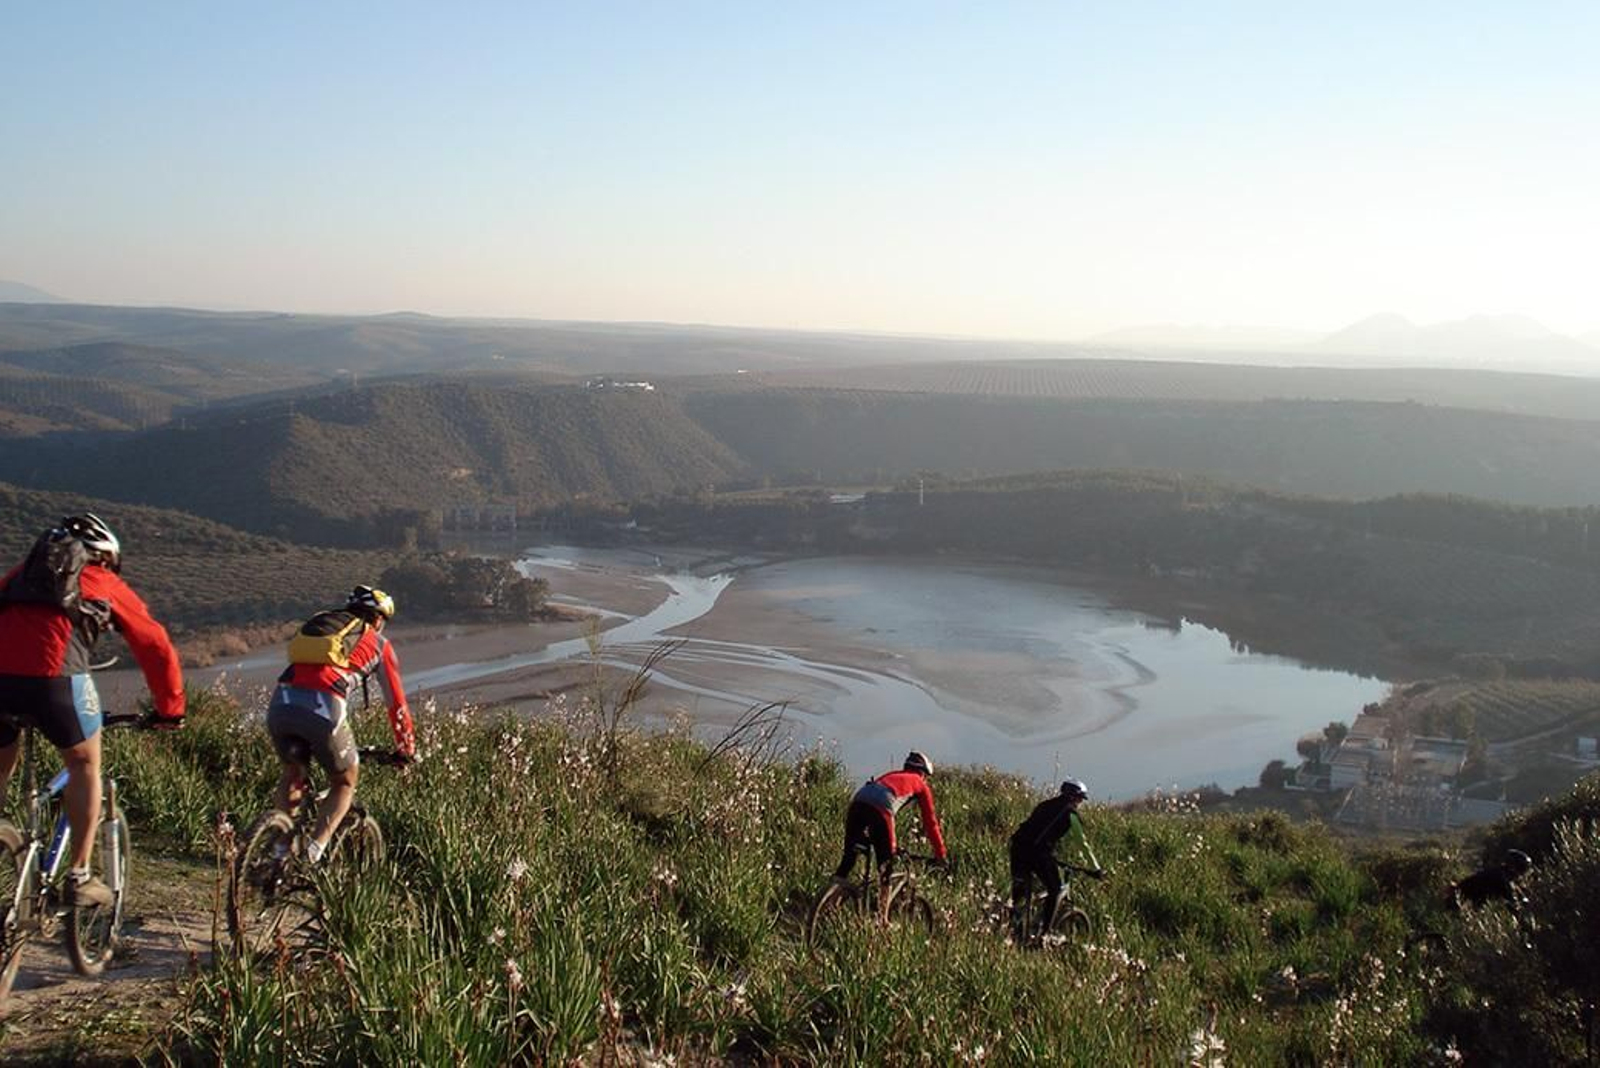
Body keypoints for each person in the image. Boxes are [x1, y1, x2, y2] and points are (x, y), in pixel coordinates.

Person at [0, 513, 185, 907]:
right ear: (104, 557)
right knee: (84, 764)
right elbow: (155, 645)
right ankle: (80, 875)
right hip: (56, 682)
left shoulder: (18, 575)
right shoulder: (103, 580)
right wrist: (171, 709)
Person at [267, 585, 415, 864]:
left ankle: (280, 852)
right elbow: (397, 704)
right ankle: (312, 855)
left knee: (293, 772)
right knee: (345, 782)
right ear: (378, 619)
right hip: (324, 708)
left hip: (280, 703)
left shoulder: (323, 626)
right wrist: (405, 748)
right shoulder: (378, 643)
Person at [833, 750, 948, 896]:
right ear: (923, 773)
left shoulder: (891, 775)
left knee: (848, 858)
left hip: (858, 802)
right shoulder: (920, 784)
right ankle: (883, 910)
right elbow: (931, 823)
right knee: (886, 867)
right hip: (882, 809)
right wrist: (941, 855)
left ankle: (830, 896)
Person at [1009, 778, 1105, 944]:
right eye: (1080, 799)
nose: (1080, 803)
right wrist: (1096, 869)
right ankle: (1044, 936)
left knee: (1021, 889)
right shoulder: (1070, 814)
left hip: (1017, 848)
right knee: (1055, 890)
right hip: (1038, 854)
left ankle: (1012, 922)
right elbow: (1082, 844)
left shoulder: (1044, 805)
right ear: (1074, 798)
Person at [1450, 848, 1533, 911]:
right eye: (1523, 870)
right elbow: (1513, 903)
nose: (1522, 875)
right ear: (1515, 868)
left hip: (1463, 901)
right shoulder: (1501, 878)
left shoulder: (1500, 872)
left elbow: (1517, 893)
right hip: (1459, 905)